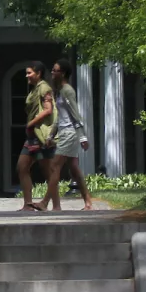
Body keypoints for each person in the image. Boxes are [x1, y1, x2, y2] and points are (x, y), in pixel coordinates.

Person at [43, 60, 96, 211]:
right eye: (52, 70)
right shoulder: (60, 91)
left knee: (54, 166)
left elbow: (75, 114)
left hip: (70, 132)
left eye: (55, 70)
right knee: (73, 168)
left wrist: (82, 136)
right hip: (65, 131)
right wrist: (51, 135)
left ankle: (45, 203)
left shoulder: (68, 91)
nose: (52, 73)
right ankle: (88, 202)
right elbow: (60, 117)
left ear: (63, 73)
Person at [16, 62, 56, 211]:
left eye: (29, 73)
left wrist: (30, 123)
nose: (27, 75)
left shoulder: (44, 88)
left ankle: (48, 203)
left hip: (40, 136)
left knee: (48, 171)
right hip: (32, 137)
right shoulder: (35, 90)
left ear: (38, 73)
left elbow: (48, 110)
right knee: (22, 167)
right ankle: (28, 205)